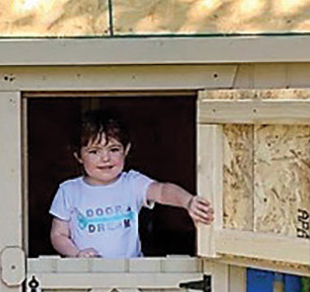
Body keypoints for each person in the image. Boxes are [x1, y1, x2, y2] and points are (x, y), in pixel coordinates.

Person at [50, 110, 214, 258]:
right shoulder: (69, 190)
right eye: (94, 152)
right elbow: (59, 235)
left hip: (130, 275)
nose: (105, 158)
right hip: (85, 274)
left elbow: (162, 191)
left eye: (114, 150)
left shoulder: (131, 183)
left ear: (126, 150)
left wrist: (188, 201)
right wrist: (77, 254)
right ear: (78, 156)